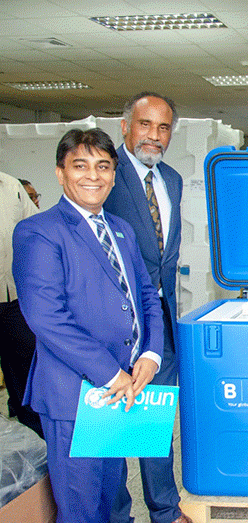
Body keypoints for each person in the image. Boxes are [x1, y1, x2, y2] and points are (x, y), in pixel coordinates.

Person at [12, 128, 164, 523]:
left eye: (103, 166)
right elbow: (46, 317)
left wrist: (150, 355)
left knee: (109, 497)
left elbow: (147, 295)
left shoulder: (120, 229)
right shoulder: (39, 231)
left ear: (114, 175)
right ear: (61, 173)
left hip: (123, 388)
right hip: (75, 394)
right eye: (80, 166)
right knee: (80, 508)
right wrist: (110, 372)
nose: (93, 176)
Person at [103, 92, 189, 523]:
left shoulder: (171, 179)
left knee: (156, 423)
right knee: (115, 427)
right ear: (125, 127)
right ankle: (119, 515)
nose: (153, 136)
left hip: (162, 326)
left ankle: (165, 509)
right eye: (145, 125)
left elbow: (162, 258)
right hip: (115, 328)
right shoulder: (106, 175)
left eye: (163, 127)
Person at [0, 171, 41, 436]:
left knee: (25, 377)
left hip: (12, 300)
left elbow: (34, 235)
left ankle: (36, 447)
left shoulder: (10, 186)